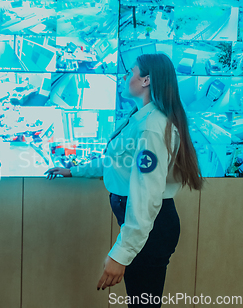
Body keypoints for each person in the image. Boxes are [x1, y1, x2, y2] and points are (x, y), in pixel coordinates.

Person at [45, 53, 203, 307]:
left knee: (143, 304)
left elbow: (146, 196)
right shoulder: (138, 117)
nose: (124, 77)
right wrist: (74, 170)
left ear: (146, 80)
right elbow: (116, 161)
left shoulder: (150, 127)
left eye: (130, 72)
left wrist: (121, 254)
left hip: (149, 225)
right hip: (144, 223)